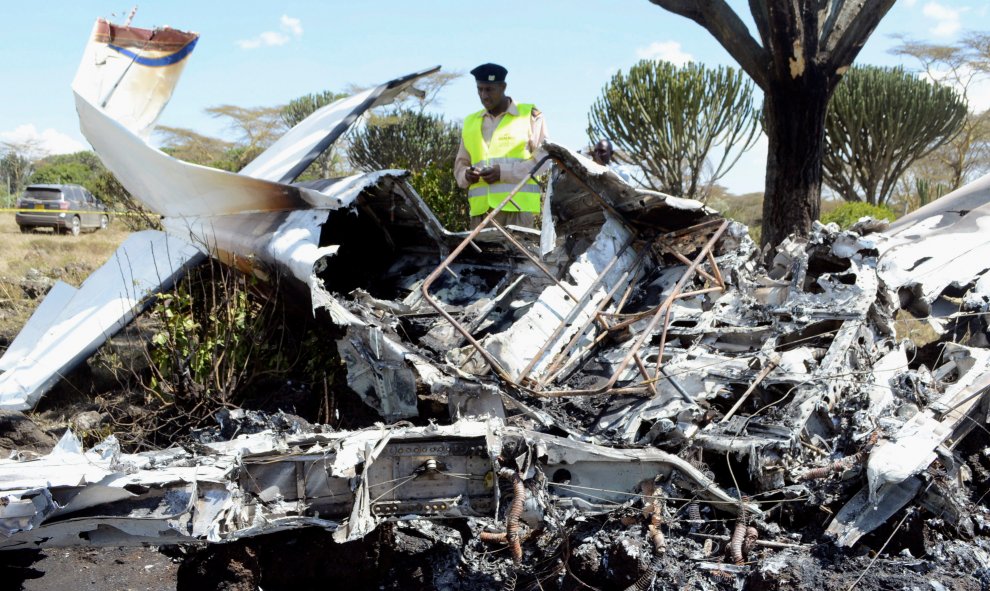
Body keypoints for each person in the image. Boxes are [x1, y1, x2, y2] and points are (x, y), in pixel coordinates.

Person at [454, 63, 548, 229]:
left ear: (503, 87)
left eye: (489, 89)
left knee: (517, 256)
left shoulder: (530, 115)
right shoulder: (470, 122)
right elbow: (460, 166)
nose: (484, 95)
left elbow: (544, 160)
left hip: (517, 212)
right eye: (480, 89)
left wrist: (503, 173)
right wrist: (466, 176)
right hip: (480, 214)